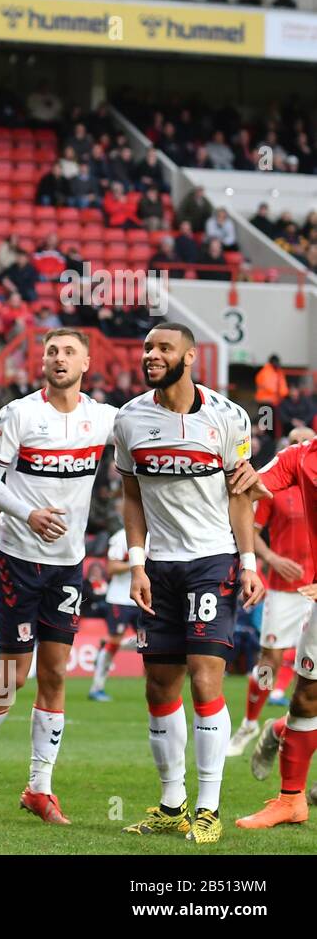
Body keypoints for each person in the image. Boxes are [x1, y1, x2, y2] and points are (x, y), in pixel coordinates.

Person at [0, 329, 120, 824]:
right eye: (51, 352)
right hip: (18, 557)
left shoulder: (104, 418)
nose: (59, 358)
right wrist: (28, 514)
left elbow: (156, 432)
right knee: (12, 676)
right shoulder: (19, 413)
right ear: (42, 362)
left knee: (54, 674)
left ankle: (39, 789)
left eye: (69, 351)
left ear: (87, 362)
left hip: (68, 563)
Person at [113, 322, 265, 844]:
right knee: (159, 687)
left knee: (205, 680)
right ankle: (172, 803)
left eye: (163, 348)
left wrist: (248, 561)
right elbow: (131, 496)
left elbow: (241, 494)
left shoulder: (228, 417)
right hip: (158, 567)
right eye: (147, 348)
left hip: (211, 560)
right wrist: (136, 563)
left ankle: (208, 807)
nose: (151, 355)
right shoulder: (130, 419)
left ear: (190, 357)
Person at [238, 431, 317, 826]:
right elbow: (247, 492)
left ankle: (278, 729)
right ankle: (256, 723)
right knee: (295, 685)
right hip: (290, 590)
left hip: (310, 587)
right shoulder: (299, 461)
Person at [89, 524, 145, 702]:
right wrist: (136, 564)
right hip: (120, 598)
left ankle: (106, 645)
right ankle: (96, 688)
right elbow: (111, 568)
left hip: (143, 598)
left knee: (149, 641)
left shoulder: (154, 534)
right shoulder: (122, 536)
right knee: (115, 640)